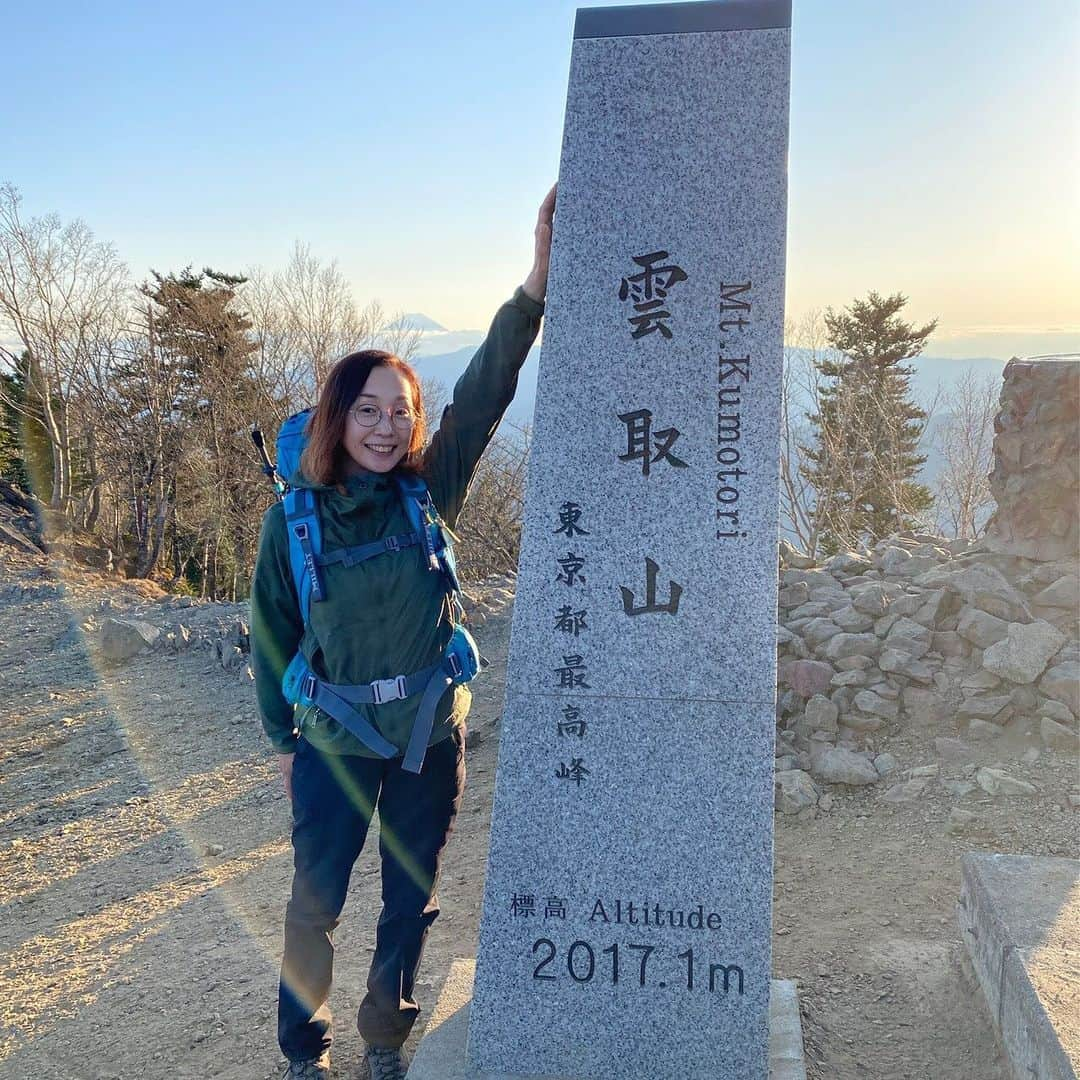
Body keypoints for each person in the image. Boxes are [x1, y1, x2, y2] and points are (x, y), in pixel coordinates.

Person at [251, 186, 555, 1080]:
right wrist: (281, 738)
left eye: (400, 411)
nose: (388, 428)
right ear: (338, 416)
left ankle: (385, 1039)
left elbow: (488, 388)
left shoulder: (430, 491)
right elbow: (269, 633)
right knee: (315, 904)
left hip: (427, 735)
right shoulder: (295, 524)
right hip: (335, 745)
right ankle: (306, 1052)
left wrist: (535, 284)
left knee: (409, 899)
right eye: (369, 410)